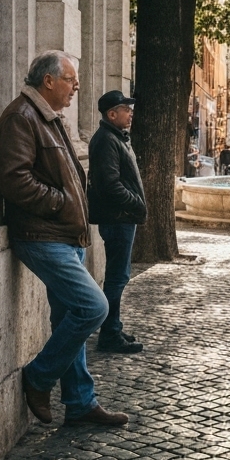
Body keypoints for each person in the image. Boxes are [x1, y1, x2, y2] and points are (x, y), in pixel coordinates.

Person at [0, 50, 127, 427]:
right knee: (93, 308)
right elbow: (15, 180)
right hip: (42, 236)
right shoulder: (21, 117)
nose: (77, 86)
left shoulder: (47, 117)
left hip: (64, 234)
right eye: (71, 79)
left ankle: (80, 402)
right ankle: (39, 376)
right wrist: (62, 203)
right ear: (49, 80)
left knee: (69, 316)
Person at [87, 90, 147, 355]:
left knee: (118, 276)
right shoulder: (106, 140)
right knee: (117, 277)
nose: (130, 113)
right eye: (126, 109)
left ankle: (113, 327)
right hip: (118, 218)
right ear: (112, 114)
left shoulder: (116, 137)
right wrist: (135, 203)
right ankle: (109, 334)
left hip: (121, 218)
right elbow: (110, 185)